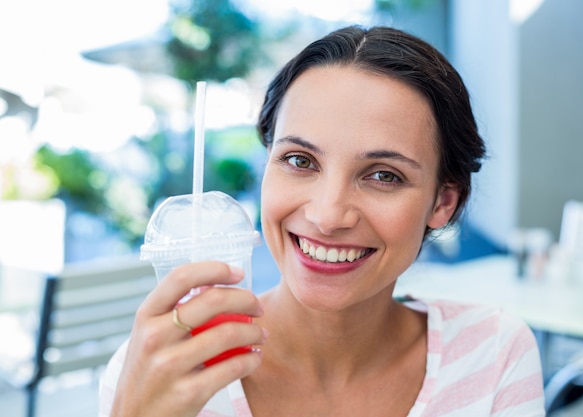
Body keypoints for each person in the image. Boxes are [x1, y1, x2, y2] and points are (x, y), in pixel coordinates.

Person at [99, 25, 545, 417]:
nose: (328, 216)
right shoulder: (160, 371)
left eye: (384, 176)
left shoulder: (494, 353)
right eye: (299, 160)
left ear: (442, 202)